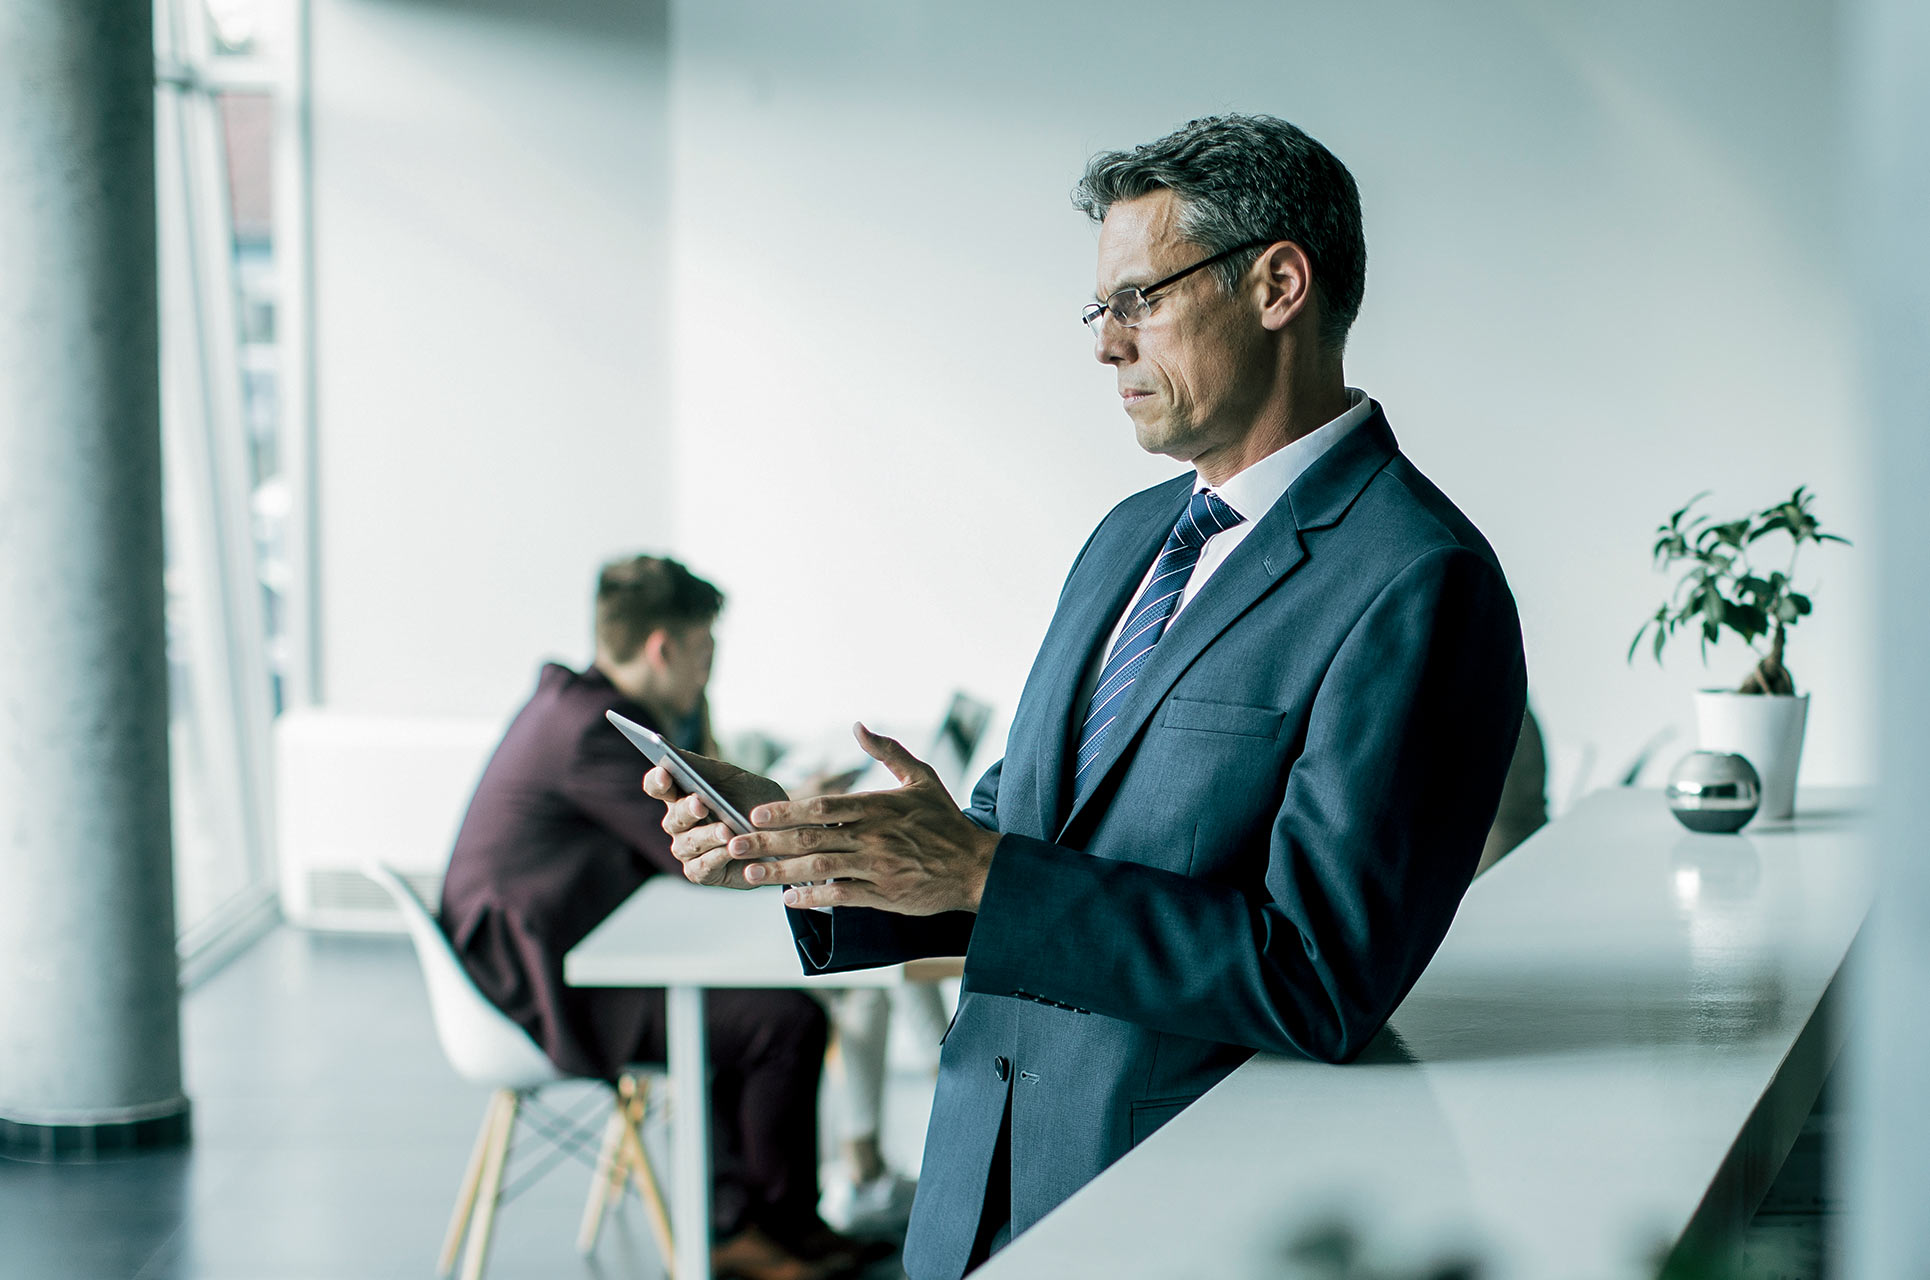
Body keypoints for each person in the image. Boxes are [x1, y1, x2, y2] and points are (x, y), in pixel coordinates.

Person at [647, 114, 1529, 1279]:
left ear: (1277, 283)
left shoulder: (1419, 583)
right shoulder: (1127, 540)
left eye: (1138, 300)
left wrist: (980, 867)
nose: (1105, 347)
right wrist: (820, 842)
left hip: (1174, 1209)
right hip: (976, 1184)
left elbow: (1319, 976)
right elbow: (1021, 847)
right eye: (1096, 310)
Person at [439, 554, 878, 1280]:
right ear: (662, 647)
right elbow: (691, 851)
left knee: (751, 1013)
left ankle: (777, 1224)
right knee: (783, 1023)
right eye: (705, 651)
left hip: (547, 951)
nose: (710, 670)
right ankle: (749, 1231)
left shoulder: (578, 706)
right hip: (535, 983)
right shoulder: (594, 731)